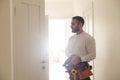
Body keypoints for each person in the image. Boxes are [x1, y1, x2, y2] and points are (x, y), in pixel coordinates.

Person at [65, 16, 96, 80]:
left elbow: (93, 55)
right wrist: (72, 56)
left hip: (83, 71)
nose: (71, 26)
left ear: (80, 24)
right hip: (72, 70)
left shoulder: (88, 38)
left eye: (73, 24)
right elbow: (67, 51)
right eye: (71, 24)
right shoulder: (71, 38)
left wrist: (80, 59)